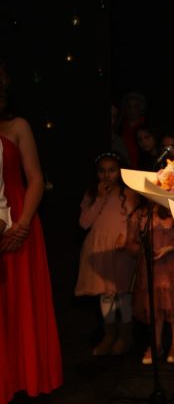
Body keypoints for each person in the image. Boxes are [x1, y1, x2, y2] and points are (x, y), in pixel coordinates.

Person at [0, 60, 63, 402]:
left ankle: (26, 375)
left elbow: (36, 178)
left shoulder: (17, 126)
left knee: (20, 304)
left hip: (19, 218)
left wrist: (22, 225)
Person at [76, 151, 141, 356]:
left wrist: (125, 235)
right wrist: (99, 198)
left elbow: (134, 220)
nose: (107, 175)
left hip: (120, 249)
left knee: (122, 294)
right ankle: (109, 335)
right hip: (99, 249)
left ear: (120, 171)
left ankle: (125, 335)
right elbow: (84, 223)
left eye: (112, 170)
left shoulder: (128, 193)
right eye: (102, 171)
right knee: (105, 294)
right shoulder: (92, 195)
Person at [126, 201, 174, 365]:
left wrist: (169, 248)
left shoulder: (172, 210)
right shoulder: (140, 213)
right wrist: (143, 249)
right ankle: (156, 344)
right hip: (150, 266)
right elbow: (130, 242)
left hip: (171, 264)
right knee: (153, 305)